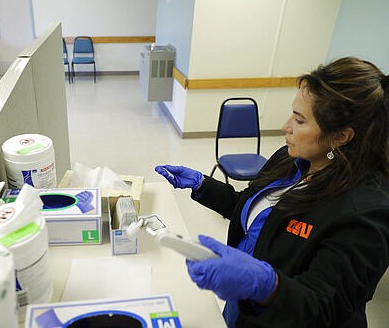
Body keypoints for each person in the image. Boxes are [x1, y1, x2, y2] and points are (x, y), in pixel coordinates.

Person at [155, 57, 389, 327]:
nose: (286, 126)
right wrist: (202, 185)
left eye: (300, 121)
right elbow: (255, 210)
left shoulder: (368, 212)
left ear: (341, 137)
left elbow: (324, 307)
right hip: (245, 302)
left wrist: (266, 285)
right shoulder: (290, 159)